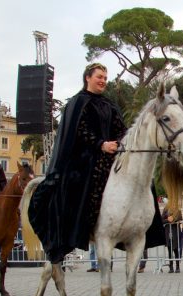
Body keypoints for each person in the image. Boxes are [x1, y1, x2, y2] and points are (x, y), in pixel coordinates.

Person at [28, 63, 128, 264]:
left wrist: (120, 142)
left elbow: (121, 128)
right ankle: (78, 229)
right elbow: (79, 132)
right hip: (86, 158)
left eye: (105, 78)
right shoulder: (77, 103)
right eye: (99, 77)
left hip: (111, 156)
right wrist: (101, 144)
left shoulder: (109, 105)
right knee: (76, 183)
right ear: (88, 78)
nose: (103, 81)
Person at [163, 208, 183, 273]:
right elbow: (161, 220)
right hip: (168, 232)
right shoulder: (165, 209)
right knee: (170, 251)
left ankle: (177, 267)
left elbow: (181, 219)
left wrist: (173, 219)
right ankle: (171, 267)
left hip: (175, 232)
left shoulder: (178, 209)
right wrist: (167, 220)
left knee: (176, 250)